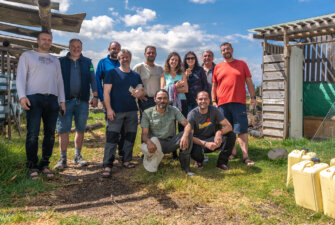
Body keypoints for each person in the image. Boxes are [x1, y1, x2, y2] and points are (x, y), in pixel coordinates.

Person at [16, 31, 65, 179]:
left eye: (49, 40)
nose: (46, 42)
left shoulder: (54, 60)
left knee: (50, 134)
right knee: (33, 133)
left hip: (52, 99)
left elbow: (59, 81)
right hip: (34, 98)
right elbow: (20, 77)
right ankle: (32, 166)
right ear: (37, 41)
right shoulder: (28, 56)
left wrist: (62, 101)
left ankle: (45, 164)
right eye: (43, 39)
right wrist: (22, 97)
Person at [54, 39, 98, 171]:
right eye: (73, 46)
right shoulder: (60, 62)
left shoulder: (88, 62)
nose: (76, 49)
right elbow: (55, 80)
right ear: (69, 47)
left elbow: (92, 79)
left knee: (80, 129)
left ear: (81, 48)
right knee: (63, 130)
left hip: (82, 101)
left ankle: (78, 155)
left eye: (78, 47)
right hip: (65, 101)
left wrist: (95, 96)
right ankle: (63, 158)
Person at [212, 42, 257, 166]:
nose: (225, 51)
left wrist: (253, 97)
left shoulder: (242, 64)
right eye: (223, 50)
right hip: (222, 103)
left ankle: (245, 156)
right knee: (228, 129)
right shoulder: (218, 67)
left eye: (227, 49)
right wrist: (213, 101)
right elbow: (214, 85)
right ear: (221, 53)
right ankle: (232, 153)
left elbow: (249, 81)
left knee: (242, 130)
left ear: (232, 49)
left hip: (238, 102)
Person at [102, 49, 145, 178]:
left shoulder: (135, 75)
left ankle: (126, 160)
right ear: (119, 59)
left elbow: (141, 90)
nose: (125, 59)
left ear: (130, 58)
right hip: (116, 111)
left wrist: (140, 93)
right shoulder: (112, 73)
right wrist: (109, 109)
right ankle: (107, 165)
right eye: (122, 57)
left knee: (130, 137)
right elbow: (106, 93)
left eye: (127, 57)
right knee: (112, 138)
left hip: (132, 111)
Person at [141, 89, 194, 176]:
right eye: (159, 98)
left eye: (165, 98)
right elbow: (144, 134)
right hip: (155, 144)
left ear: (168, 99)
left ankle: (185, 167)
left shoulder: (173, 110)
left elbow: (187, 124)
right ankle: (152, 158)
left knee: (188, 134)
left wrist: (184, 135)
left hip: (170, 143)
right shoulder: (147, 113)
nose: (162, 100)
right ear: (155, 99)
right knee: (153, 141)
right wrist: (148, 142)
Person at [188, 91, 236, 170]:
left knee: (231, 135)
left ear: (209, 100)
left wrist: (219, 132)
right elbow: (190, 137)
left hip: (213, 140)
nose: (203, 101)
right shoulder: (192, 115)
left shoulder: (214, 110)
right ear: (196, 100)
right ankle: (199, 161)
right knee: (193, 148)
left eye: (205, 99)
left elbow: (229, 126)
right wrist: (205, 143)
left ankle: (221, 163)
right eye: (200, 99)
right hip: (198, 142)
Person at [95, 41, 125, 159]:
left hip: (122, 101)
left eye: (118, 49)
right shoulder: (103, 63)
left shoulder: (123, 62)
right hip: (108, 101)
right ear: (109, 49)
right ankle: (110, 154)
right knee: (111, 128)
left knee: (123, 128)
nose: (115, 50)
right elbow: (97, 80)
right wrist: (101, 98)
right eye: (113, 48)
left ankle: (122, 153)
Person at [160, 52, 188, 160]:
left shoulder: (182, 74)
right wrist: (176, 86)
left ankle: (183, 150)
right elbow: (162, 90)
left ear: (179, 62)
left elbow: (186, 89)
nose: (174, 62)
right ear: (168, 61)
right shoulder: (164, 74)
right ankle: (173, 152)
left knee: (182, 126)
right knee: (171, 128)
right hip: (169, 103)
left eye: (176, 60)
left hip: (181, 102)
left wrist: (171, 88)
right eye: (172, 59)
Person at [133, 46, 163, 114]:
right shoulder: (138, 67)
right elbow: (130, 84)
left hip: (158, 100)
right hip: (145, 100)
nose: (151, 54)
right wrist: (138, 95)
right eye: (149, 53)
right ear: (144, 54)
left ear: (156, 54)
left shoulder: (160, 69)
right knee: (145, 123)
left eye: (153, 53)